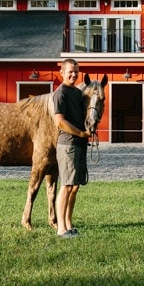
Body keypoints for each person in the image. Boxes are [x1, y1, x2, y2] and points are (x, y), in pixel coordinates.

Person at [53, 58, 92, 238]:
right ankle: (61, 229)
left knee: (74, 187)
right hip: (68, 144)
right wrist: (80, 134)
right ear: (62, 73)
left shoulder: (77, 92)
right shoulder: (60, 94)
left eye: (76, 71)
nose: (74, 74)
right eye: (70, 71)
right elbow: (60, 122)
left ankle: (69, 224)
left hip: (79, 144)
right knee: (66, 186)